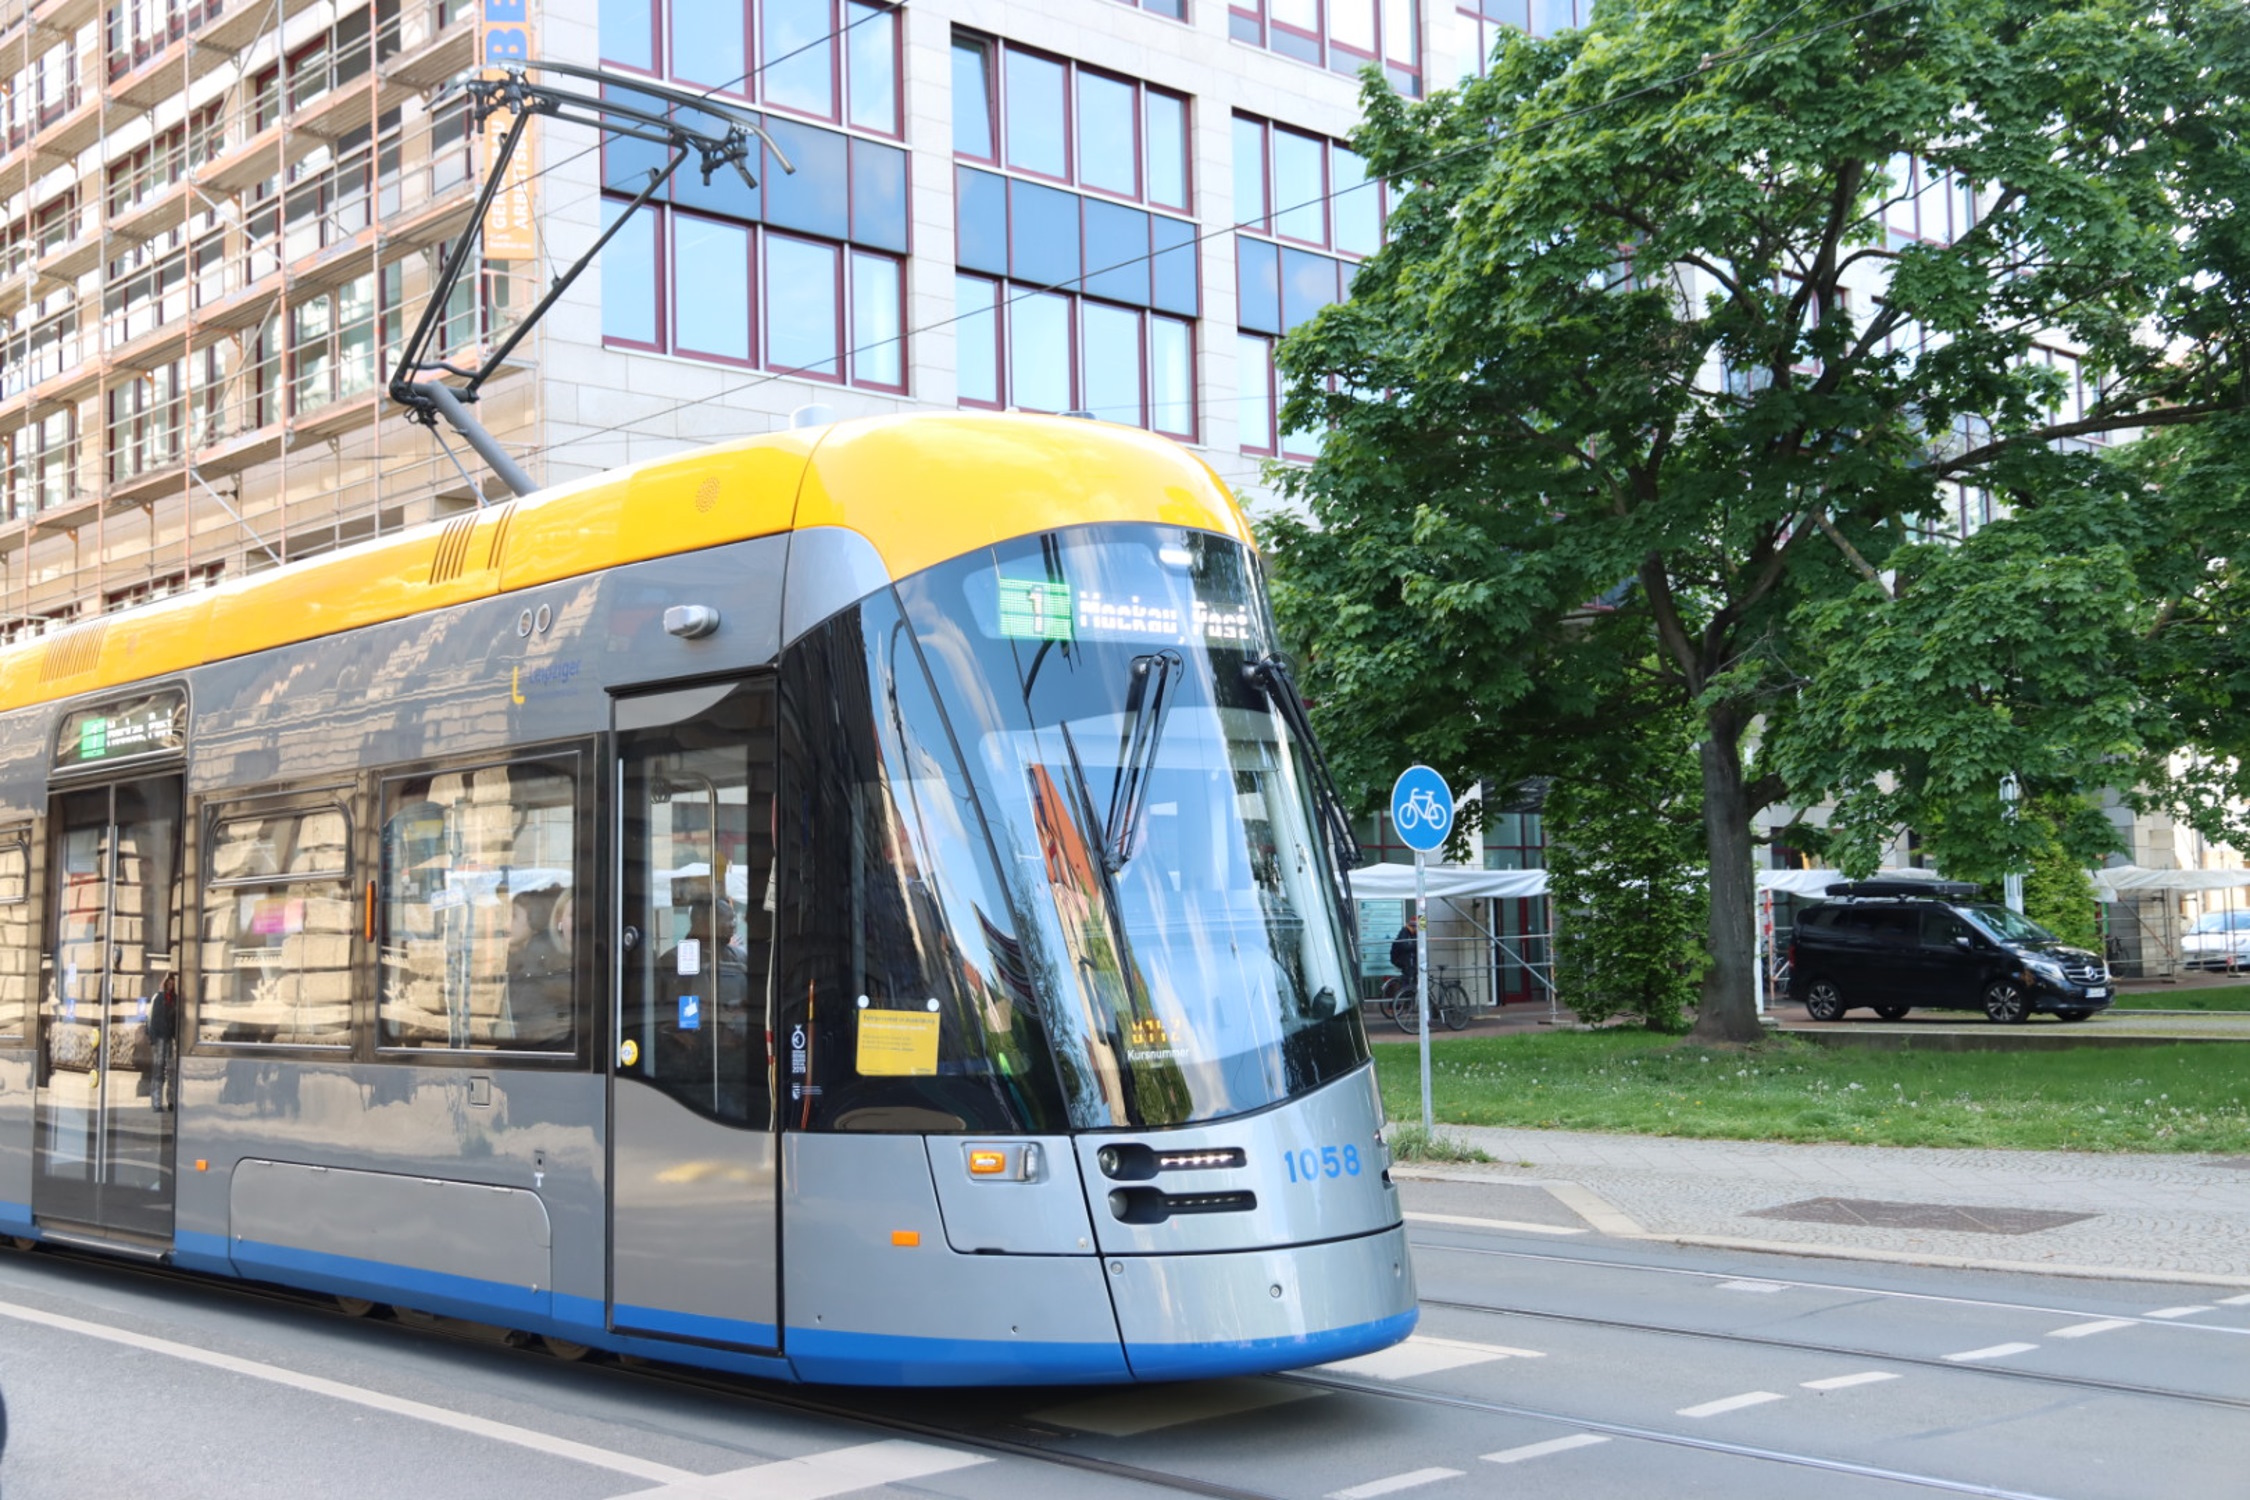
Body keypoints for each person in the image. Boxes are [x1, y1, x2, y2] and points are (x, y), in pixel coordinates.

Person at [504, 887, 573, 1049]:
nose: (506, 925)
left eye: (514, 916)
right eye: (573, 916)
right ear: (558, 920)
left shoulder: (538, 961)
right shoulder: (535, 962)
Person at [1390, 914, 1419, 993]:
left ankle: (1409, 991)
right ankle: (1405, 993)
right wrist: (1416, 945)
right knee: (1409, 973)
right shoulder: (1404, 931)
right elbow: (1404, 946)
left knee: (1415, 970)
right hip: (1400, 958)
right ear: (1414, 926)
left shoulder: (1413, 933)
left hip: (1405, 958)